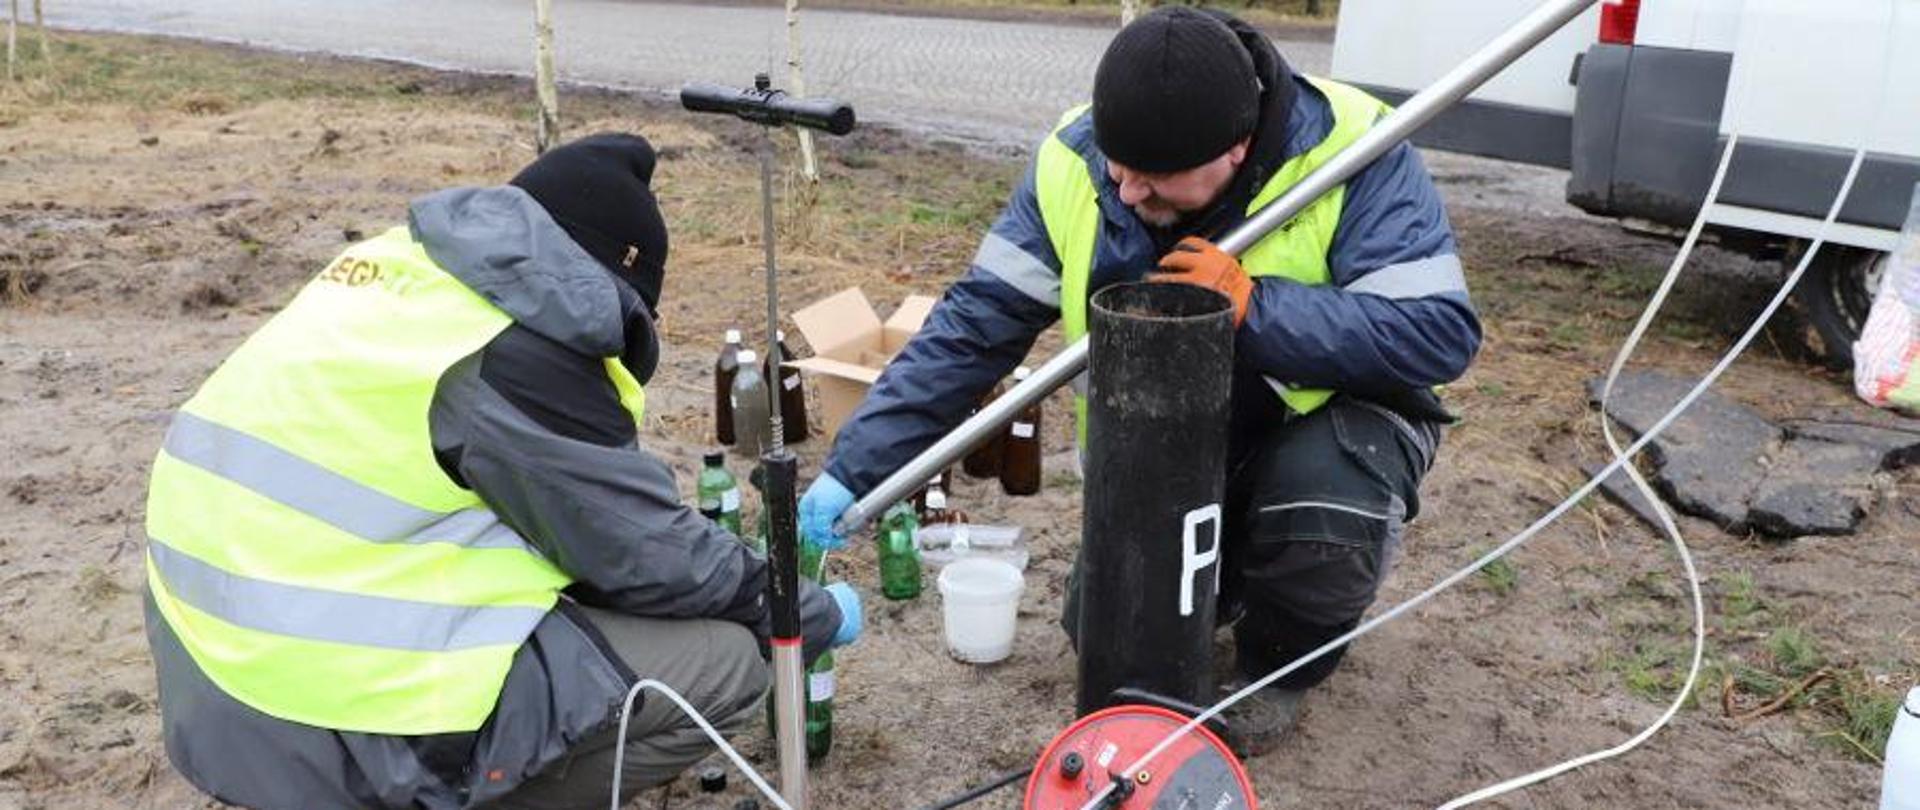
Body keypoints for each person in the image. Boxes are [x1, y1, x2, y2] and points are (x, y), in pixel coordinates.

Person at [799, 8, 1478, 753]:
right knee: (1101, 634)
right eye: (1119, 170)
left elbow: (1437, 334)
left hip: (1314, 429)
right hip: (1171, 451)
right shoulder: (1076, 157)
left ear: (1236, 149)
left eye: (1153, 181)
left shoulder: (1355, 151)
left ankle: (1277, 662)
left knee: (1321, 510)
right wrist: (857, 465)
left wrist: (1257, 308)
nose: (1125, 195)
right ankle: (1224, 578)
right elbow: (973, 326)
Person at [141, 132, 860, 810]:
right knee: (728, 664)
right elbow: (644, 552)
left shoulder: (402, 273)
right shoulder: (517, 347)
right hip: (326, 706)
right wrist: (800, 606)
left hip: (208, 675)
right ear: (614, 285)